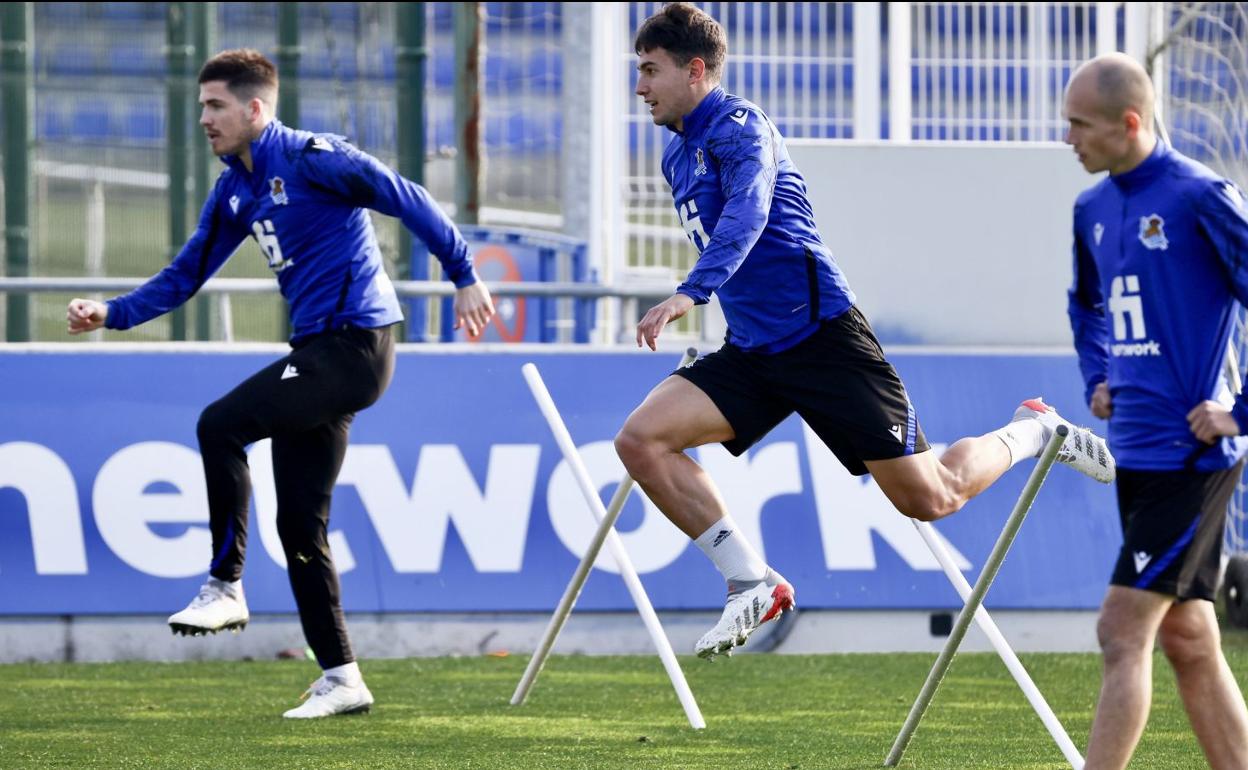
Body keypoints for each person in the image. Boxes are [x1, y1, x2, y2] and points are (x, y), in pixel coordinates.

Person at [615, 2, 1116, 661]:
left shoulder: (742, 129)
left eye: (650, 70)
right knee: (642, 441)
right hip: (755, 349)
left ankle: (1035, 430)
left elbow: (749, 213)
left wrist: (689, 292)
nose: (641, 86)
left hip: (824, 340)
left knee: (931, 497)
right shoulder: (676, 159)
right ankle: (750, 582)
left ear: (696, 70)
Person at [66, 49, 494, 718]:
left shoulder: (313, 158)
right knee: (299, 523)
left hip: (355, 346)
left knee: (220, 424)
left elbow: (405, 195)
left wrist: (463, 274)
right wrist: (111, 313)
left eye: (215, 106)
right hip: (320, 352)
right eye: (202, 105)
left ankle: (224, 584)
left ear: (254, 108)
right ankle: (343, 677)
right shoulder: (233, 188)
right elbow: (185, 275)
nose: (203, 118)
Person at [1063, 52, 1248, 769]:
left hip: (1193, 458)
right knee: (1189, 637)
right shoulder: (1091, 210)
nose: (1069, 139)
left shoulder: (1200, 196)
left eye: (1080, 125)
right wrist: (1098, 376)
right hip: (1135, 452)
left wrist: (1240, 410)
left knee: (1121, 629)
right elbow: (1086, 307)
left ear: (1129, 122)